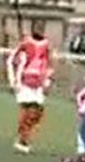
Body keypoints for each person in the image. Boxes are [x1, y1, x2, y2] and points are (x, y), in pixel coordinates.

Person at [6, 19, 53, 154]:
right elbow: (12, 59)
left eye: (42, 26)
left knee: (38, 112)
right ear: (32, 28)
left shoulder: (46, 44)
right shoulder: (26, 42)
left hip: (39, 83)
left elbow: (50, 63)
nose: (40, 29)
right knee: (27, 111)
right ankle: (23, 140)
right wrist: (13, 79)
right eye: (37, 26)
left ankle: (22, 137)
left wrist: (47, 80)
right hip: (25, 81)